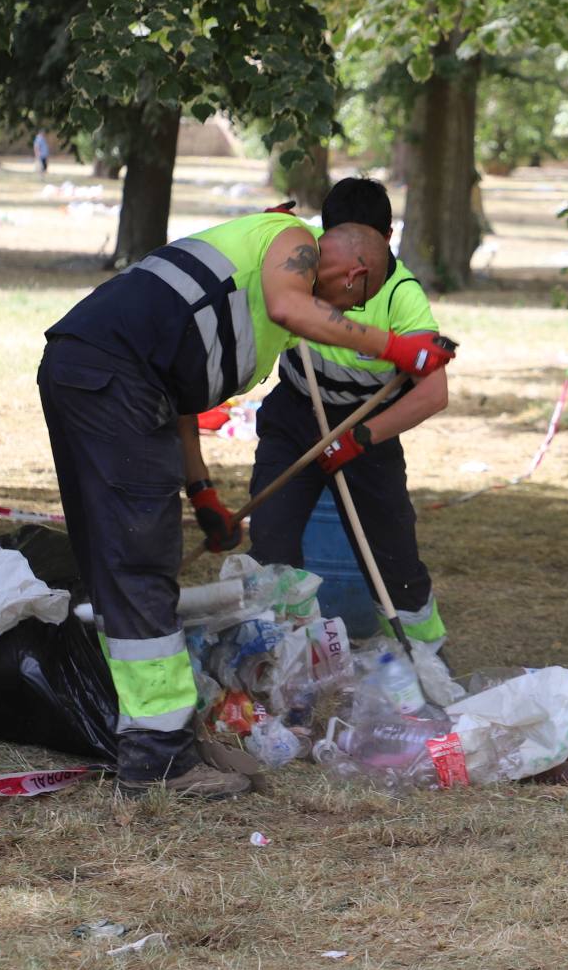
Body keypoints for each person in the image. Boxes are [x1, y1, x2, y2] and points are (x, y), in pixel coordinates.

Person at [38, 211, 454, 799]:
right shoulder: (293, 243)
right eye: (353, 301)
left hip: (100, 374)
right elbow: (293, 307)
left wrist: (201, 489)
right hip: (111, 378)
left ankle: (138, 728)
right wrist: (397, 348)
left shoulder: (261, 281)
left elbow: (180, 396)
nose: (346, 312)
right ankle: (158, 756)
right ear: (355, 275)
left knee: (119, 555)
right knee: (139, 563)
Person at [245, 179, 450, 655]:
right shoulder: (299, 267)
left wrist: (361, 438)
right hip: (296, 415)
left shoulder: (402, 294)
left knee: (394, 557)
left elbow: (432, 394)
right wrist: (263, 232)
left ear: (387, 238)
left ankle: (426, 656)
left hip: (365, 429)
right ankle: (278, 656)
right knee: (271, 543)